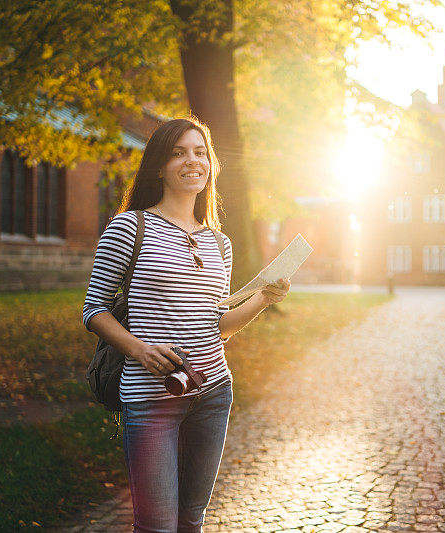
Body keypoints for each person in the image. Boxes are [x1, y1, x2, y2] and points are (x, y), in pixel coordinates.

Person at [82, 116, 290, 532]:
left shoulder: (219, 243)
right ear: (159, 166)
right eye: (178, 152)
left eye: (200, 152)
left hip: (213, 394)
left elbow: (219, 326)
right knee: (156, 524)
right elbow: (94, 311)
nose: (191, 161)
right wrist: (140, 350)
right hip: (150, 398)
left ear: (210, 165)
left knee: (191, 520)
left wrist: (264, 299)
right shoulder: (130, 227)